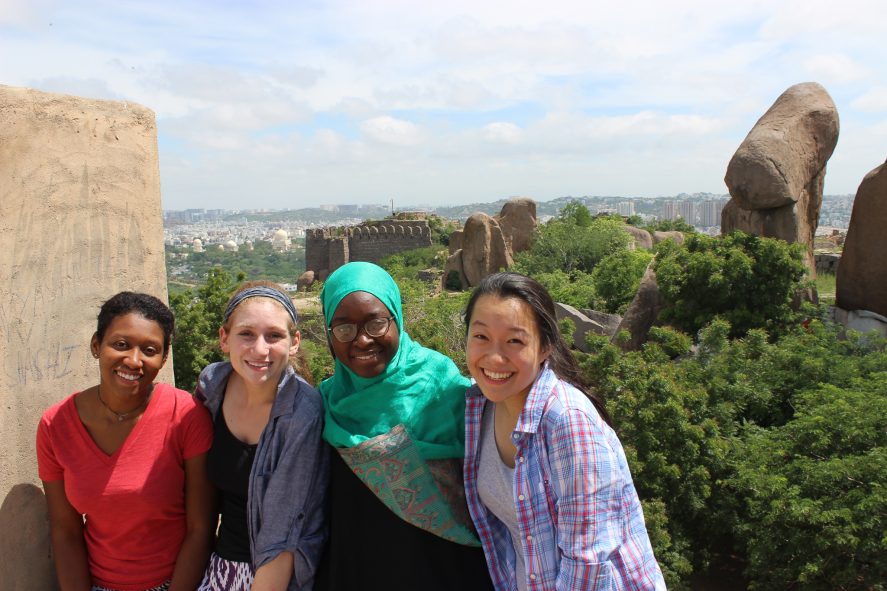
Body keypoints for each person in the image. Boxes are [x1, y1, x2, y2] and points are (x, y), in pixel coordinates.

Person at [462, 272, 666, 591]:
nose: (494, 357)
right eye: (481, 337)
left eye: (514, 340)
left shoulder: (566, 422)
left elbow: (586, 567)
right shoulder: (479, 407)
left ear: (545, 348)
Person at [315, 262, 492, 591]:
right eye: (343, 329)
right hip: (356, 573)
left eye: (376, 323)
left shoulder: (444, 387)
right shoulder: (325, 403)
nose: (362, 340)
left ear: (396, 316)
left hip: (447, 573)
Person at [37, 291, 214, 591]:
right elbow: (65, 530)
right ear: (97, 345)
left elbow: (201, 528)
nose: (134, 360)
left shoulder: (185, 415)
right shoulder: (56, 426)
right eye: (120, 345)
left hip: (176, 582)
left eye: (149, 349)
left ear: (164, 357)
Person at [194, 281, 328, 591]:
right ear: (224, 339)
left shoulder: (302, 416)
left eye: (274, 336)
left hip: (270, 577)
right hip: (217, 567)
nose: (260, 349)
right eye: (246, 334)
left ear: (294, 342)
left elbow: (284, 535)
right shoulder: (212, 387)